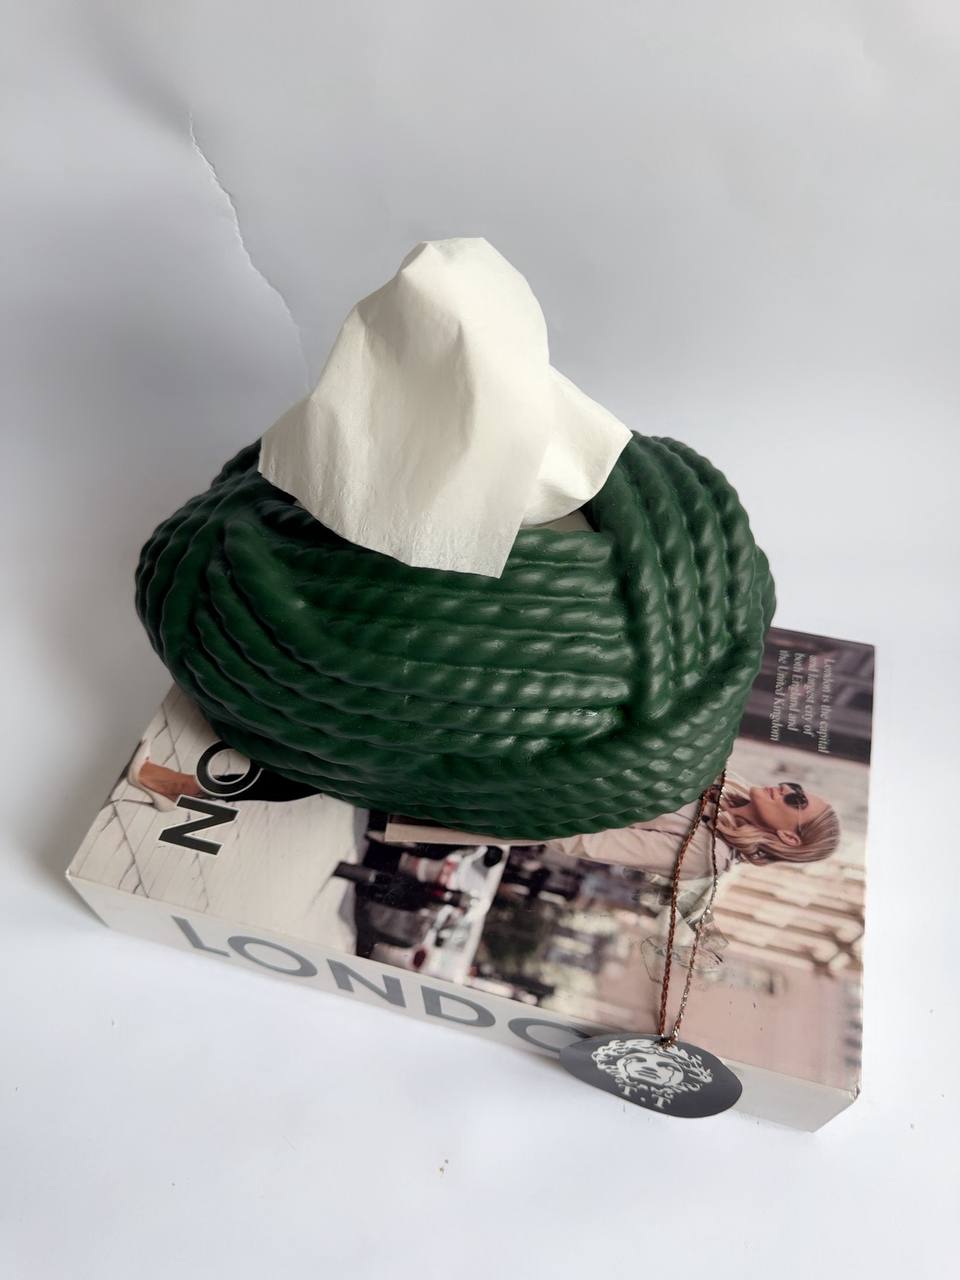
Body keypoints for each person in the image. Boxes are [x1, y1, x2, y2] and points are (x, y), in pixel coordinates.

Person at [544, 776, 840, 880]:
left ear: (788, 837)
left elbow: (586, 842)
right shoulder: (729, 785)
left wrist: (536, 806)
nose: (787, 788)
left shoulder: (707, 855)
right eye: (796, 787)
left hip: (541, 803)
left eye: (797, 800)